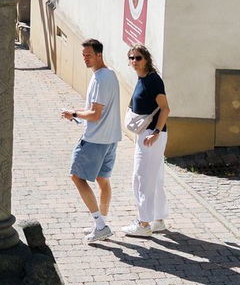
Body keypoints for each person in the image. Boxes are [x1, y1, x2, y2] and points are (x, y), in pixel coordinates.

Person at [60, 37, 120, 242]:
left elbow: (95, 114)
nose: (85, 59)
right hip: (110, 139)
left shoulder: (101, 79)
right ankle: (100, 223)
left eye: (89, 55)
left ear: (99, 55)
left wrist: (74, 113)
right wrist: (76, 116)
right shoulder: (110, 75)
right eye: (83, 55)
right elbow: (97, 113)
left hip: (96, 140)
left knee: (76, 177)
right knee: (103, 180)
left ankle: (101, 225)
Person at [123, 44, 171, 236]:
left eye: (138, 58)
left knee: (141, 177)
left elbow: (165, 108)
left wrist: (156, 131)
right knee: (155, 177)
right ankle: (158, 220)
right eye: (131, 58)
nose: (134, 61)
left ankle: (143, 224)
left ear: (147, 59)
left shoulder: (153, 81)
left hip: (151, 135)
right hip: (148, 134)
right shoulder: (142, 79)